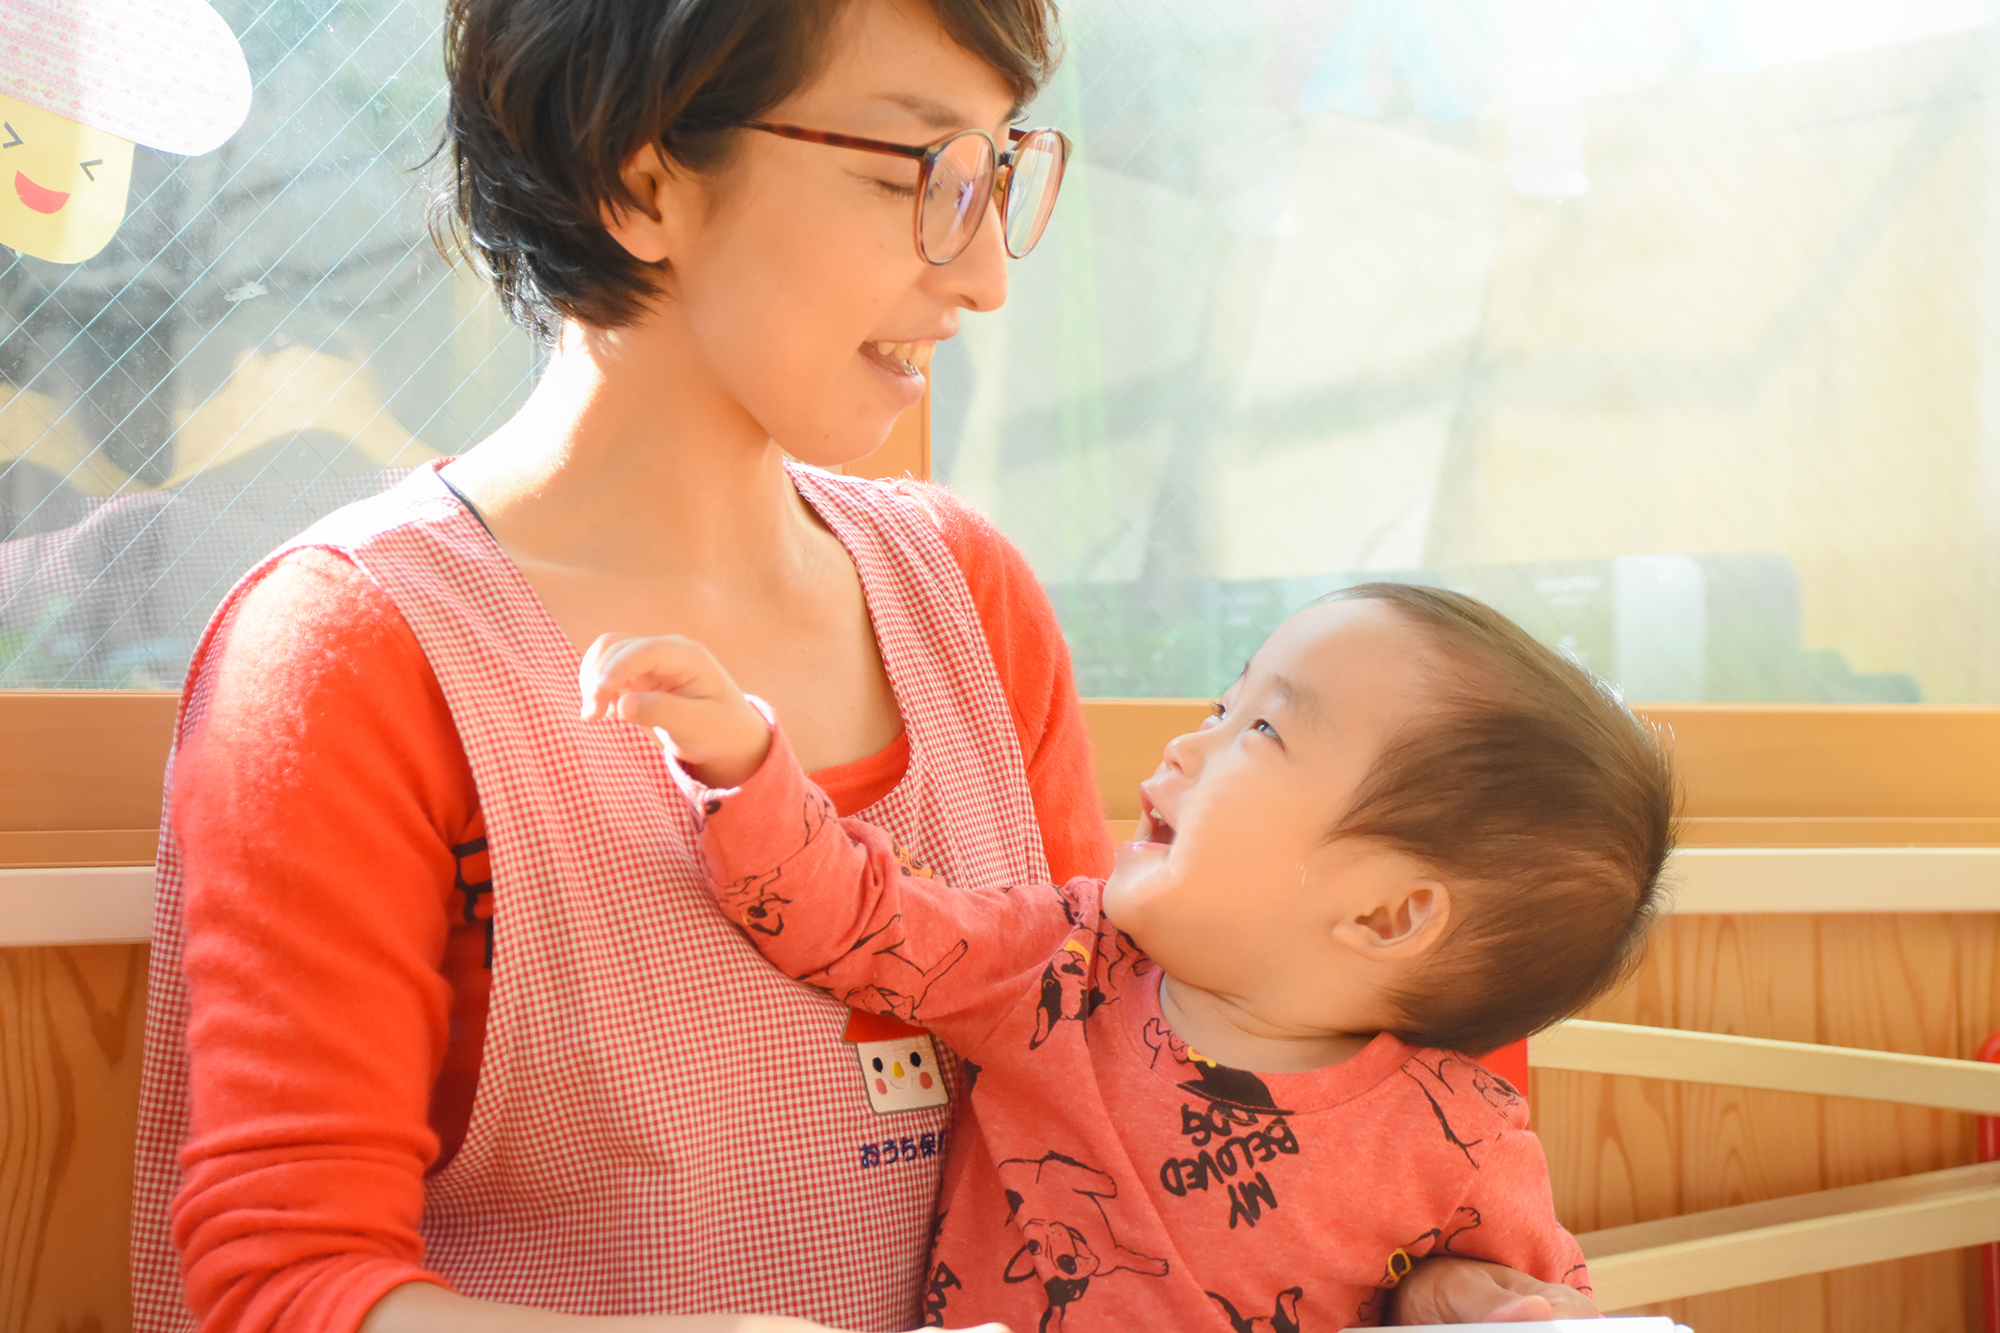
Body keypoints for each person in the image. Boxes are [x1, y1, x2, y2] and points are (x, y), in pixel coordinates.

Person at [129, 0, 1606, 1328]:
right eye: (921, 174)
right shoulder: (352, 653)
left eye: (998, 176)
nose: (983, 277)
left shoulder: (968, 597)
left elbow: (1203, 1052)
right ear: (642, 177)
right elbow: (284, 1281)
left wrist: (1452, 1276)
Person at [581, 582, 1675, 1330]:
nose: (1187, 741)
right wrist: (743, 761)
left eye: (1260, 732)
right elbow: (855, 916)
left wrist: (1464, 1295)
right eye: (1220, 699)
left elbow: (1541, 1310)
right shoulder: (1058, 967)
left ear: (1387, 918)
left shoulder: (1462, 1136)